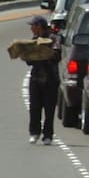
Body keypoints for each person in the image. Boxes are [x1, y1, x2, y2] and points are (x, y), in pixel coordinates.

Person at [23, 15, 62, 144]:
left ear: (39, 26)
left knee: (49, 109)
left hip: (50, 78)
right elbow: (29, 62)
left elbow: (56, 56)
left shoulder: (54, 39)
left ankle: (48, 135)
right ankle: (34, 132)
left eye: (33, 26)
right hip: (36, 78)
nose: (31, 29)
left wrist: (44, 53)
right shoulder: (33, 40)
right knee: (34, 107)